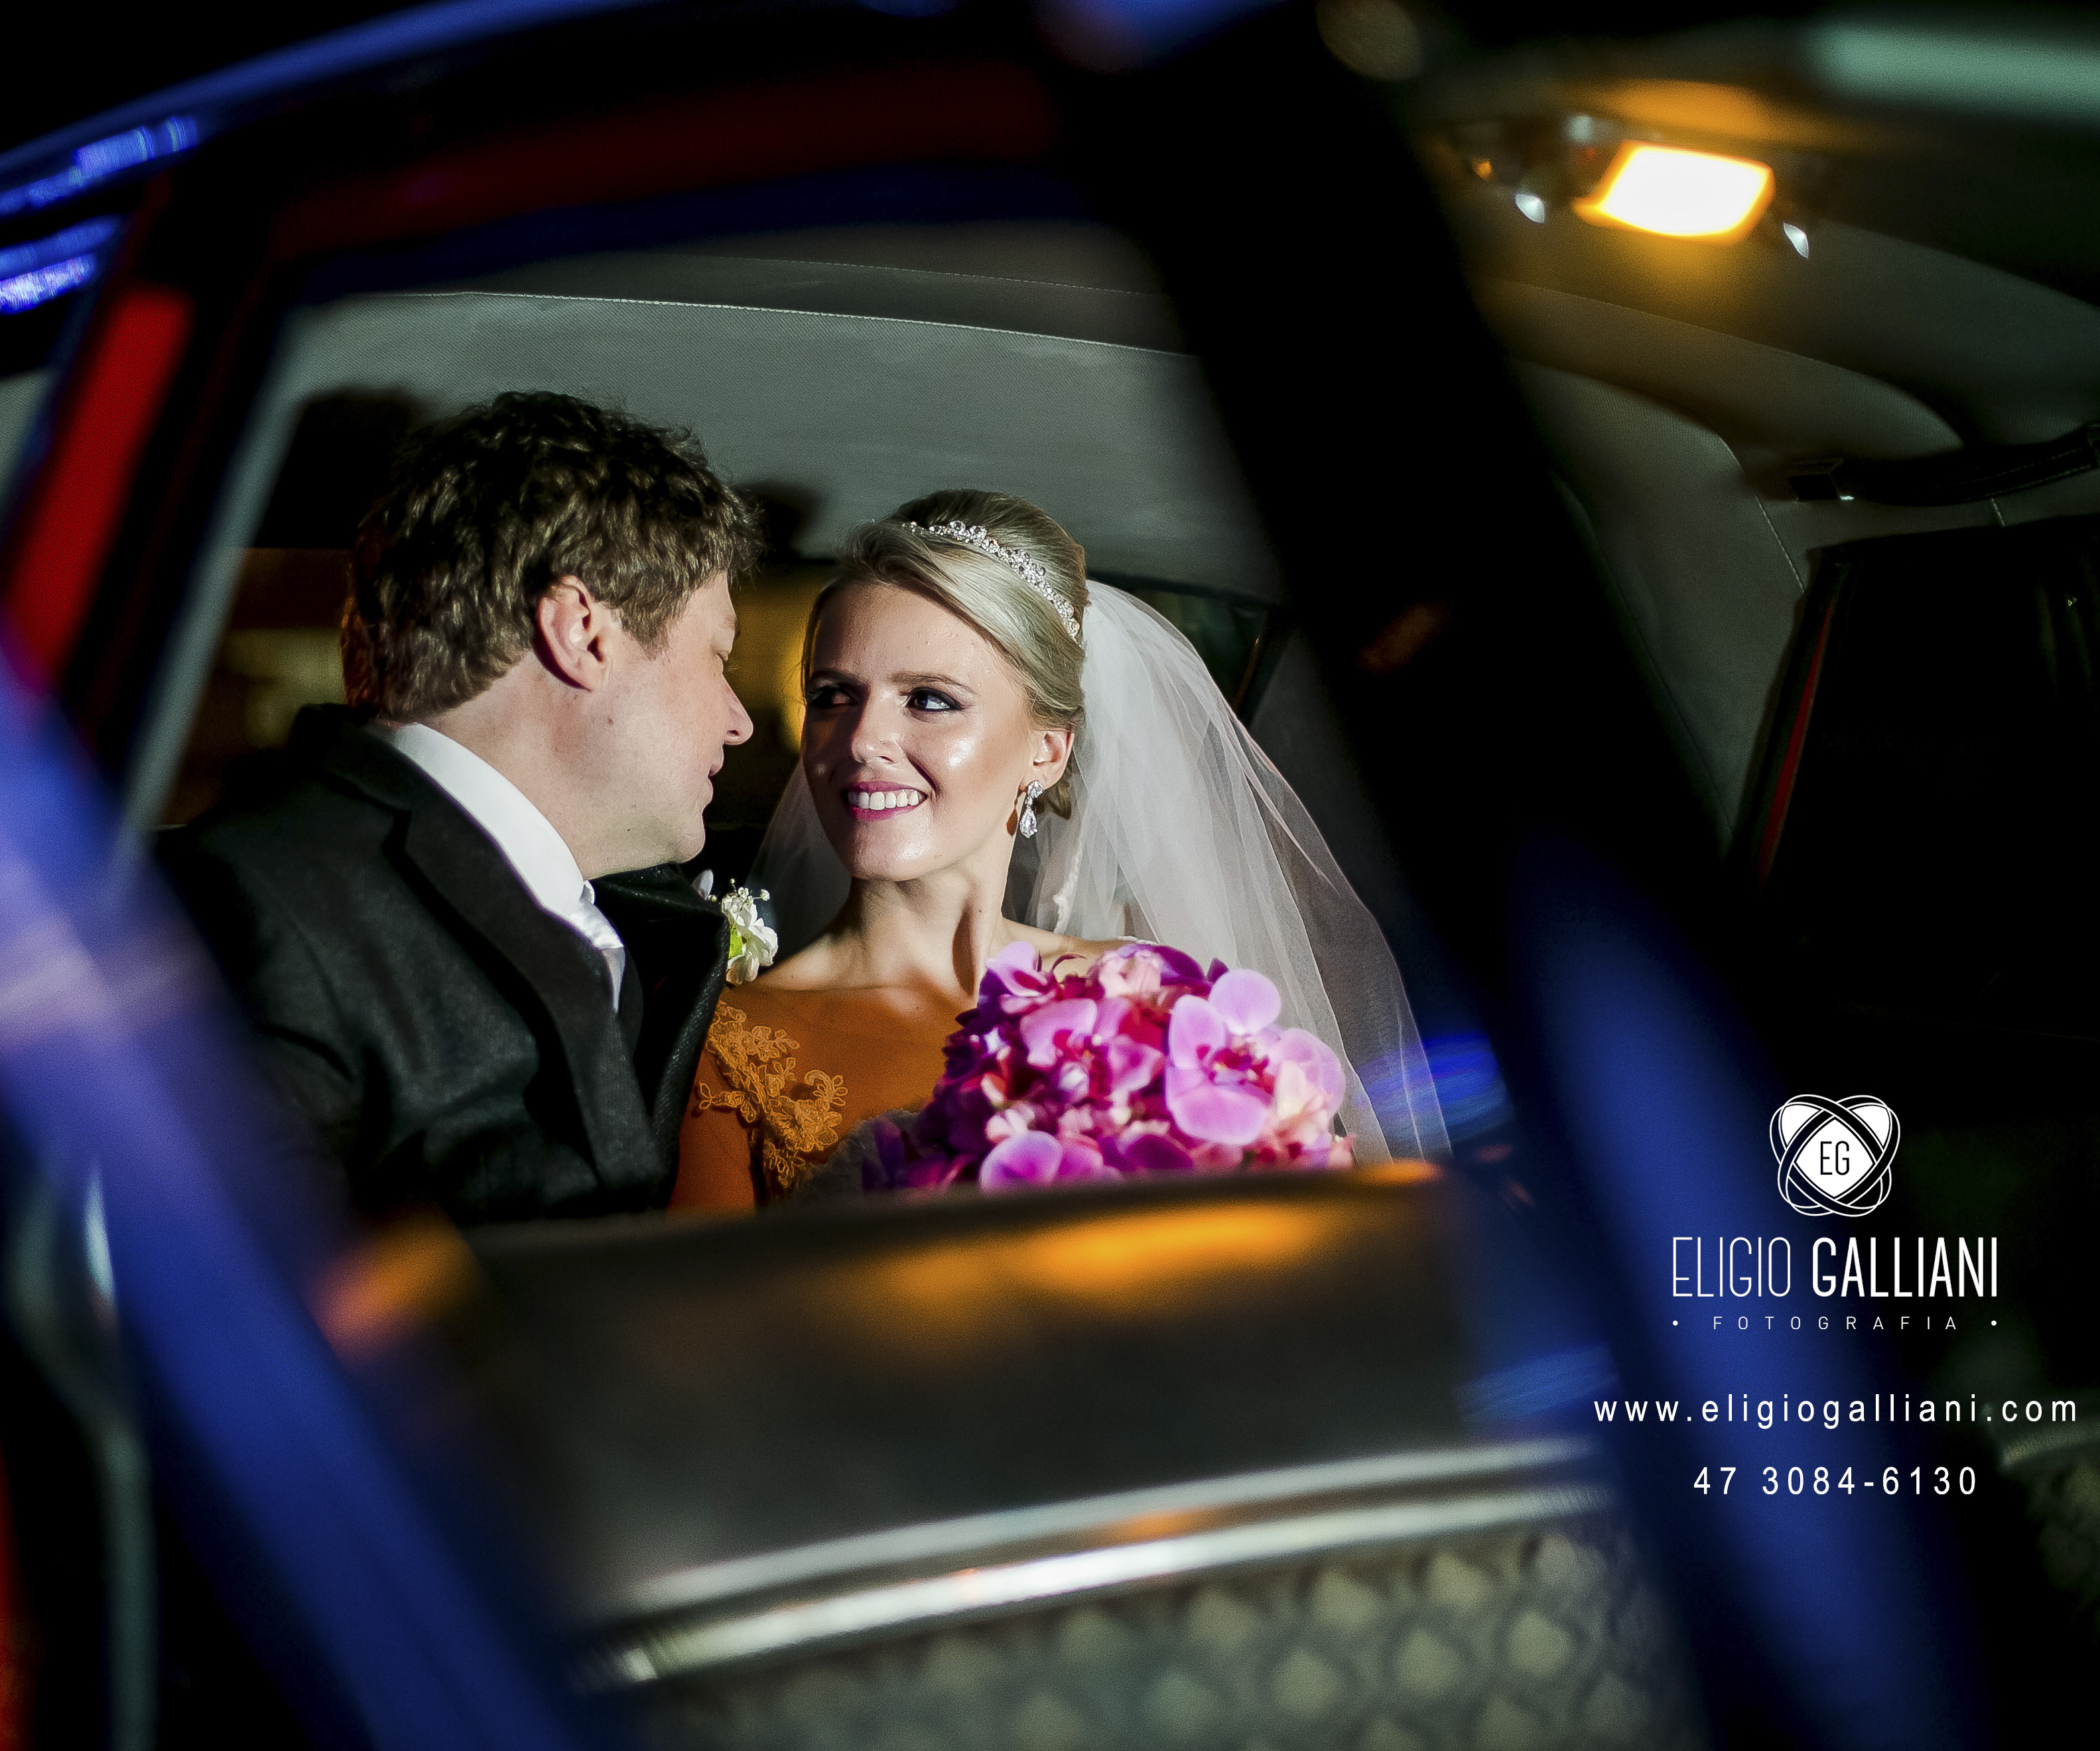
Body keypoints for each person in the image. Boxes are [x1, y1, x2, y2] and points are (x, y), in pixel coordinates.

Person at [671, 489, 1446, 1209]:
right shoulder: (728, 1042)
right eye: (832, 696)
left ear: (1047, 750)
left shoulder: (1156, 1006)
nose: (861, 739)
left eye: (930, 700)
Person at [167, 391, 756, 1223]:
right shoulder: (254, 905)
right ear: (583, 633)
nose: (740, 720)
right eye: (719, 656)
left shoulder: (630, 915)